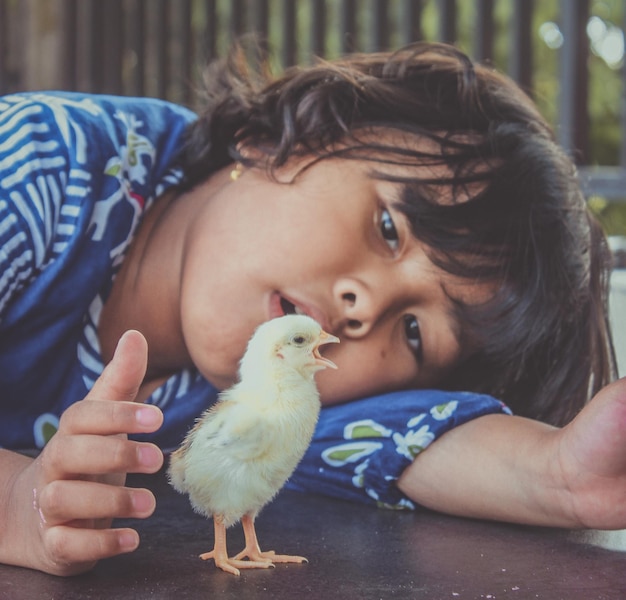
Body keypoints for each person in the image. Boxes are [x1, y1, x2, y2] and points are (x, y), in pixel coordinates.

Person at [0, 41, 621, 577]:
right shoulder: (40, 166)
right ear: (284, 135)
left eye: (413, 333)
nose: (364, 305)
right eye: (388, 226)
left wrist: (558, 476)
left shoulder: (270, 392)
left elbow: (412, 438)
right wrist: (15, 509)